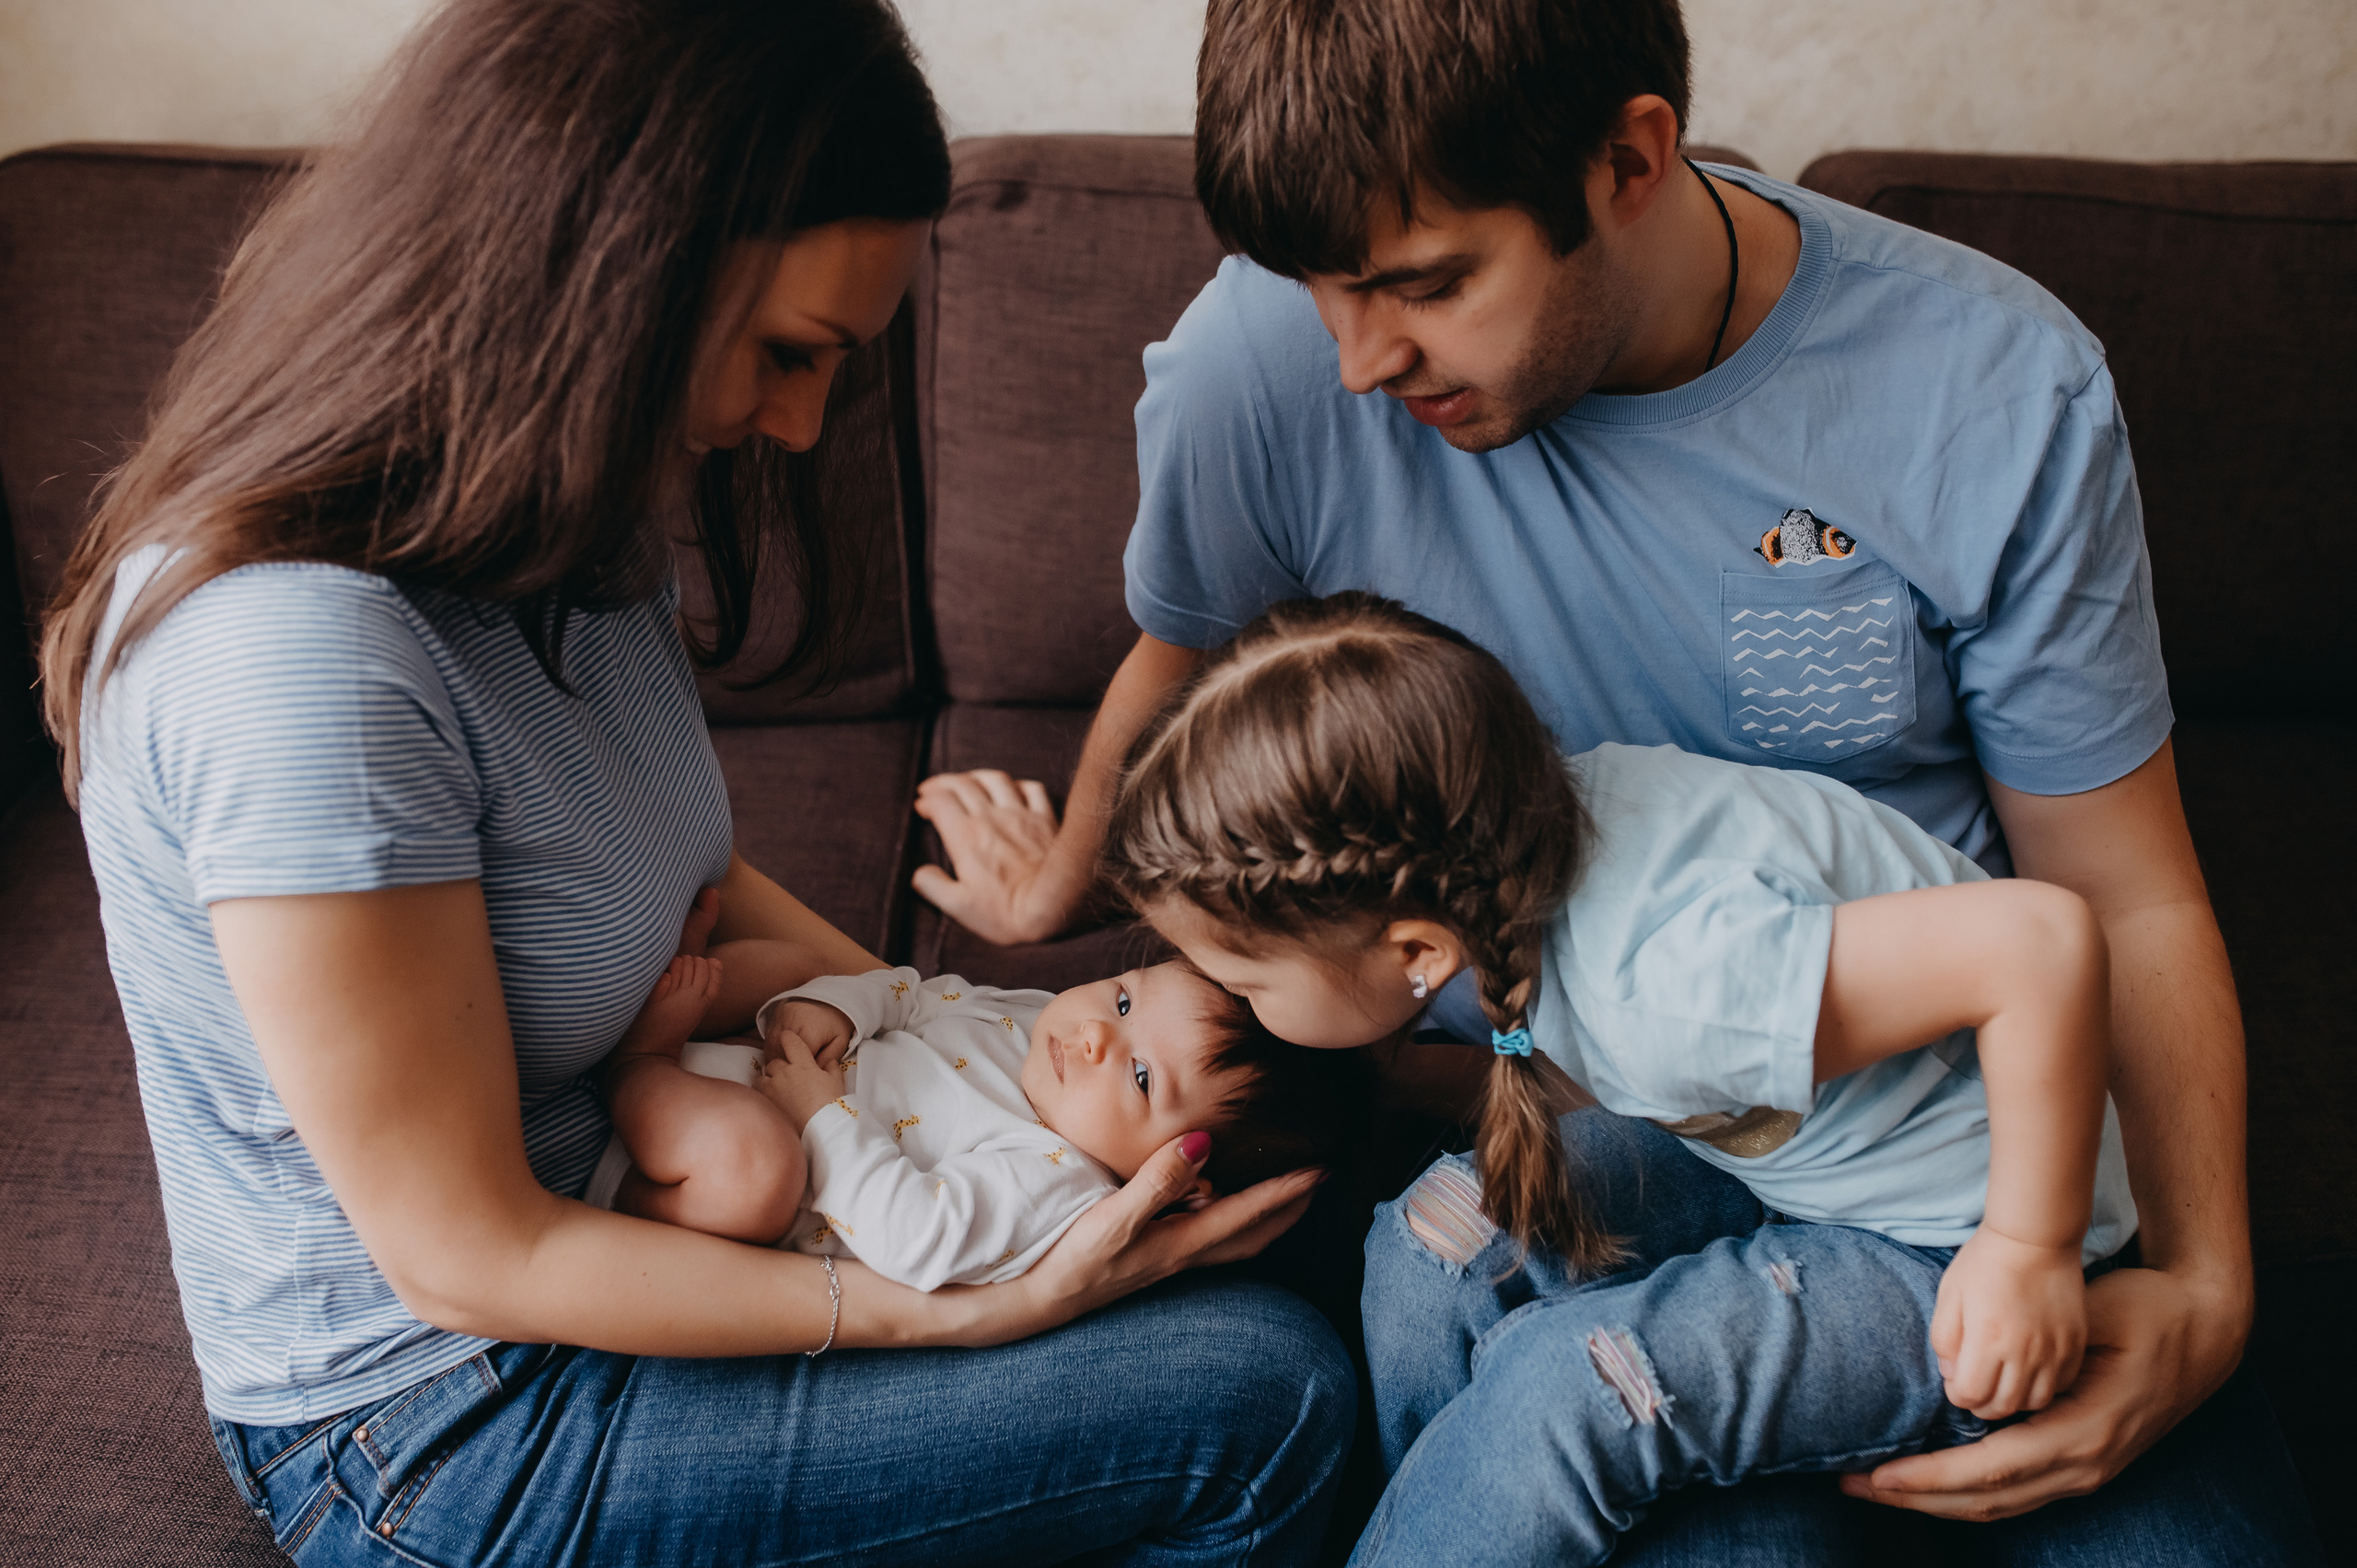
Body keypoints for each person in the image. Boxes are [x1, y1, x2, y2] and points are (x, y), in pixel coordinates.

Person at [911, 0, 2314, 1556]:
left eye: (1425, 284)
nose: (1361, 359)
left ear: (1632, 159)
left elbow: (2118, 897)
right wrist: (1060, 881)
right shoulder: (1268, 367)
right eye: (1316, 287)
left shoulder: (1996, 386)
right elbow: (1182, 661)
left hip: (1968, 1153)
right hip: (1667, 1116)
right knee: (1453, 1285)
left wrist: (2204, 1286)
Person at [40, 2, 1350, 1562]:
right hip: (450, 1409)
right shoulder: (297, 663)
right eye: (788, 355)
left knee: (1274, 1226)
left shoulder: (569, 525)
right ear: (611, 275)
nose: (795, 428)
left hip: (623, 1221)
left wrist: (962, 1062)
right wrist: (975, 1309)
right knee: (1268, 1398)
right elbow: (473, 1257)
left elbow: (684, 885)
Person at [1107, 592, 2150, 1563]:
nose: (1234, 1002)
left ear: (1417, 950)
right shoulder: (1523, 832)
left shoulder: (1676, 981)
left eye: (1243, 977)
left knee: (1571, 1387)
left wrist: (2029, 1249)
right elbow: (1614, 1066)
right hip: (1794, 1156)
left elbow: (2040, 940)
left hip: (1952, 1251)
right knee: (1436, 1240)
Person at [593, 908, 1364, 1287]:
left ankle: (638, 1069)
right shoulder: (1045, 1025)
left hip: (729, 1153)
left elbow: (915, 1233)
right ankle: (619, 1019)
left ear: (1182, 1178)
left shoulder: (1058, 1181)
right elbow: (922, 996)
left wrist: (819, 1115)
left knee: (754, 1170)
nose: (1097, 1034)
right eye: (1126, 1002)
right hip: (769, 1064)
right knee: (795, 962)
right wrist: (839, 1008)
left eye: (1140, 1078)